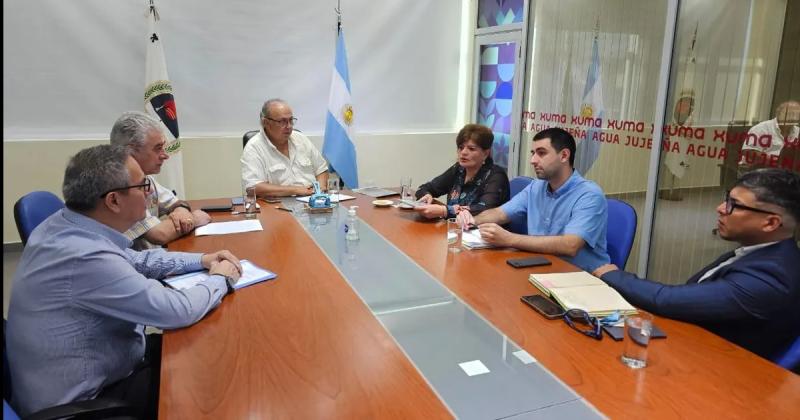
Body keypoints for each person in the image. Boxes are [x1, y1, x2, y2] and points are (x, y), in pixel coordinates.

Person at [6, 145, 243, 418]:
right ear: (113, 201)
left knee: (201, 349)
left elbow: (136, 261)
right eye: (143, 185)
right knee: (211, 381)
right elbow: (174, 311)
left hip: (103, 364)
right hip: (85, 405)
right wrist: (220, 280)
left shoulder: (65, 224)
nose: (150, 192)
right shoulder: (85, 257)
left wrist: (201, 260)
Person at [594, 169, 800, 364]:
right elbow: (691, 291)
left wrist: (611, 275)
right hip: (694, 342)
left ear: (771, 223)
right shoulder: (758, 252)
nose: (720, 208)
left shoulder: (771, 276)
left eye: (733, 205)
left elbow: (667, 300)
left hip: (717, 369)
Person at [459, 127, 609, 272]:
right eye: (533, 153)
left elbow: (570, 245)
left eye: (541, 153)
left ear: (564, 155)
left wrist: (509, 239)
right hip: (541, 267)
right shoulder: (537, 186)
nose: (533, 160)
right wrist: (472, 220)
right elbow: (500, 213)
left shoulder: (589, 195)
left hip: (578, 277)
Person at [110, 111, 211, 250]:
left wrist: (181, 211)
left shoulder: (145, 179)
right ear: (130, 151)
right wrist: (193, 219)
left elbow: (176, 202)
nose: (165, 156)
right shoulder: (118, 185)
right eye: (158, 148)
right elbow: (159, 235)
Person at [413, 124, 509, 219]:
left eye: (471, 149)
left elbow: (485, 209)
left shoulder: (496, 176)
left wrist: (445, 211)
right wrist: (427, 195)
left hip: (483, 232)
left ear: (486, 153)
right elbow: (426, 188)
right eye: (461, 147)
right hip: (454, 229)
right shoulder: (459, 169)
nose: (463, 152)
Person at [241, 98, 329, 197]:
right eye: (282, 121)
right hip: (277, 207)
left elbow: (321, 169)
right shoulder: (254, 147)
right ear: (266, 123)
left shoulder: (301, 139)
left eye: (291, 120)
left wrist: (320, 189)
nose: (289, 126)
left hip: (313, 202)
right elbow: (253, 187)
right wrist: (296, 190)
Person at [738, 100, 800, 177]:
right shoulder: (762, 128)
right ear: (779, 113)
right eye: (790, 114)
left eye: (797, 115)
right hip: (759, 171)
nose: (793, 117)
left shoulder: (798, 131)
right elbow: (748, 152)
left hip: (787, 172)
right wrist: (776, 161)